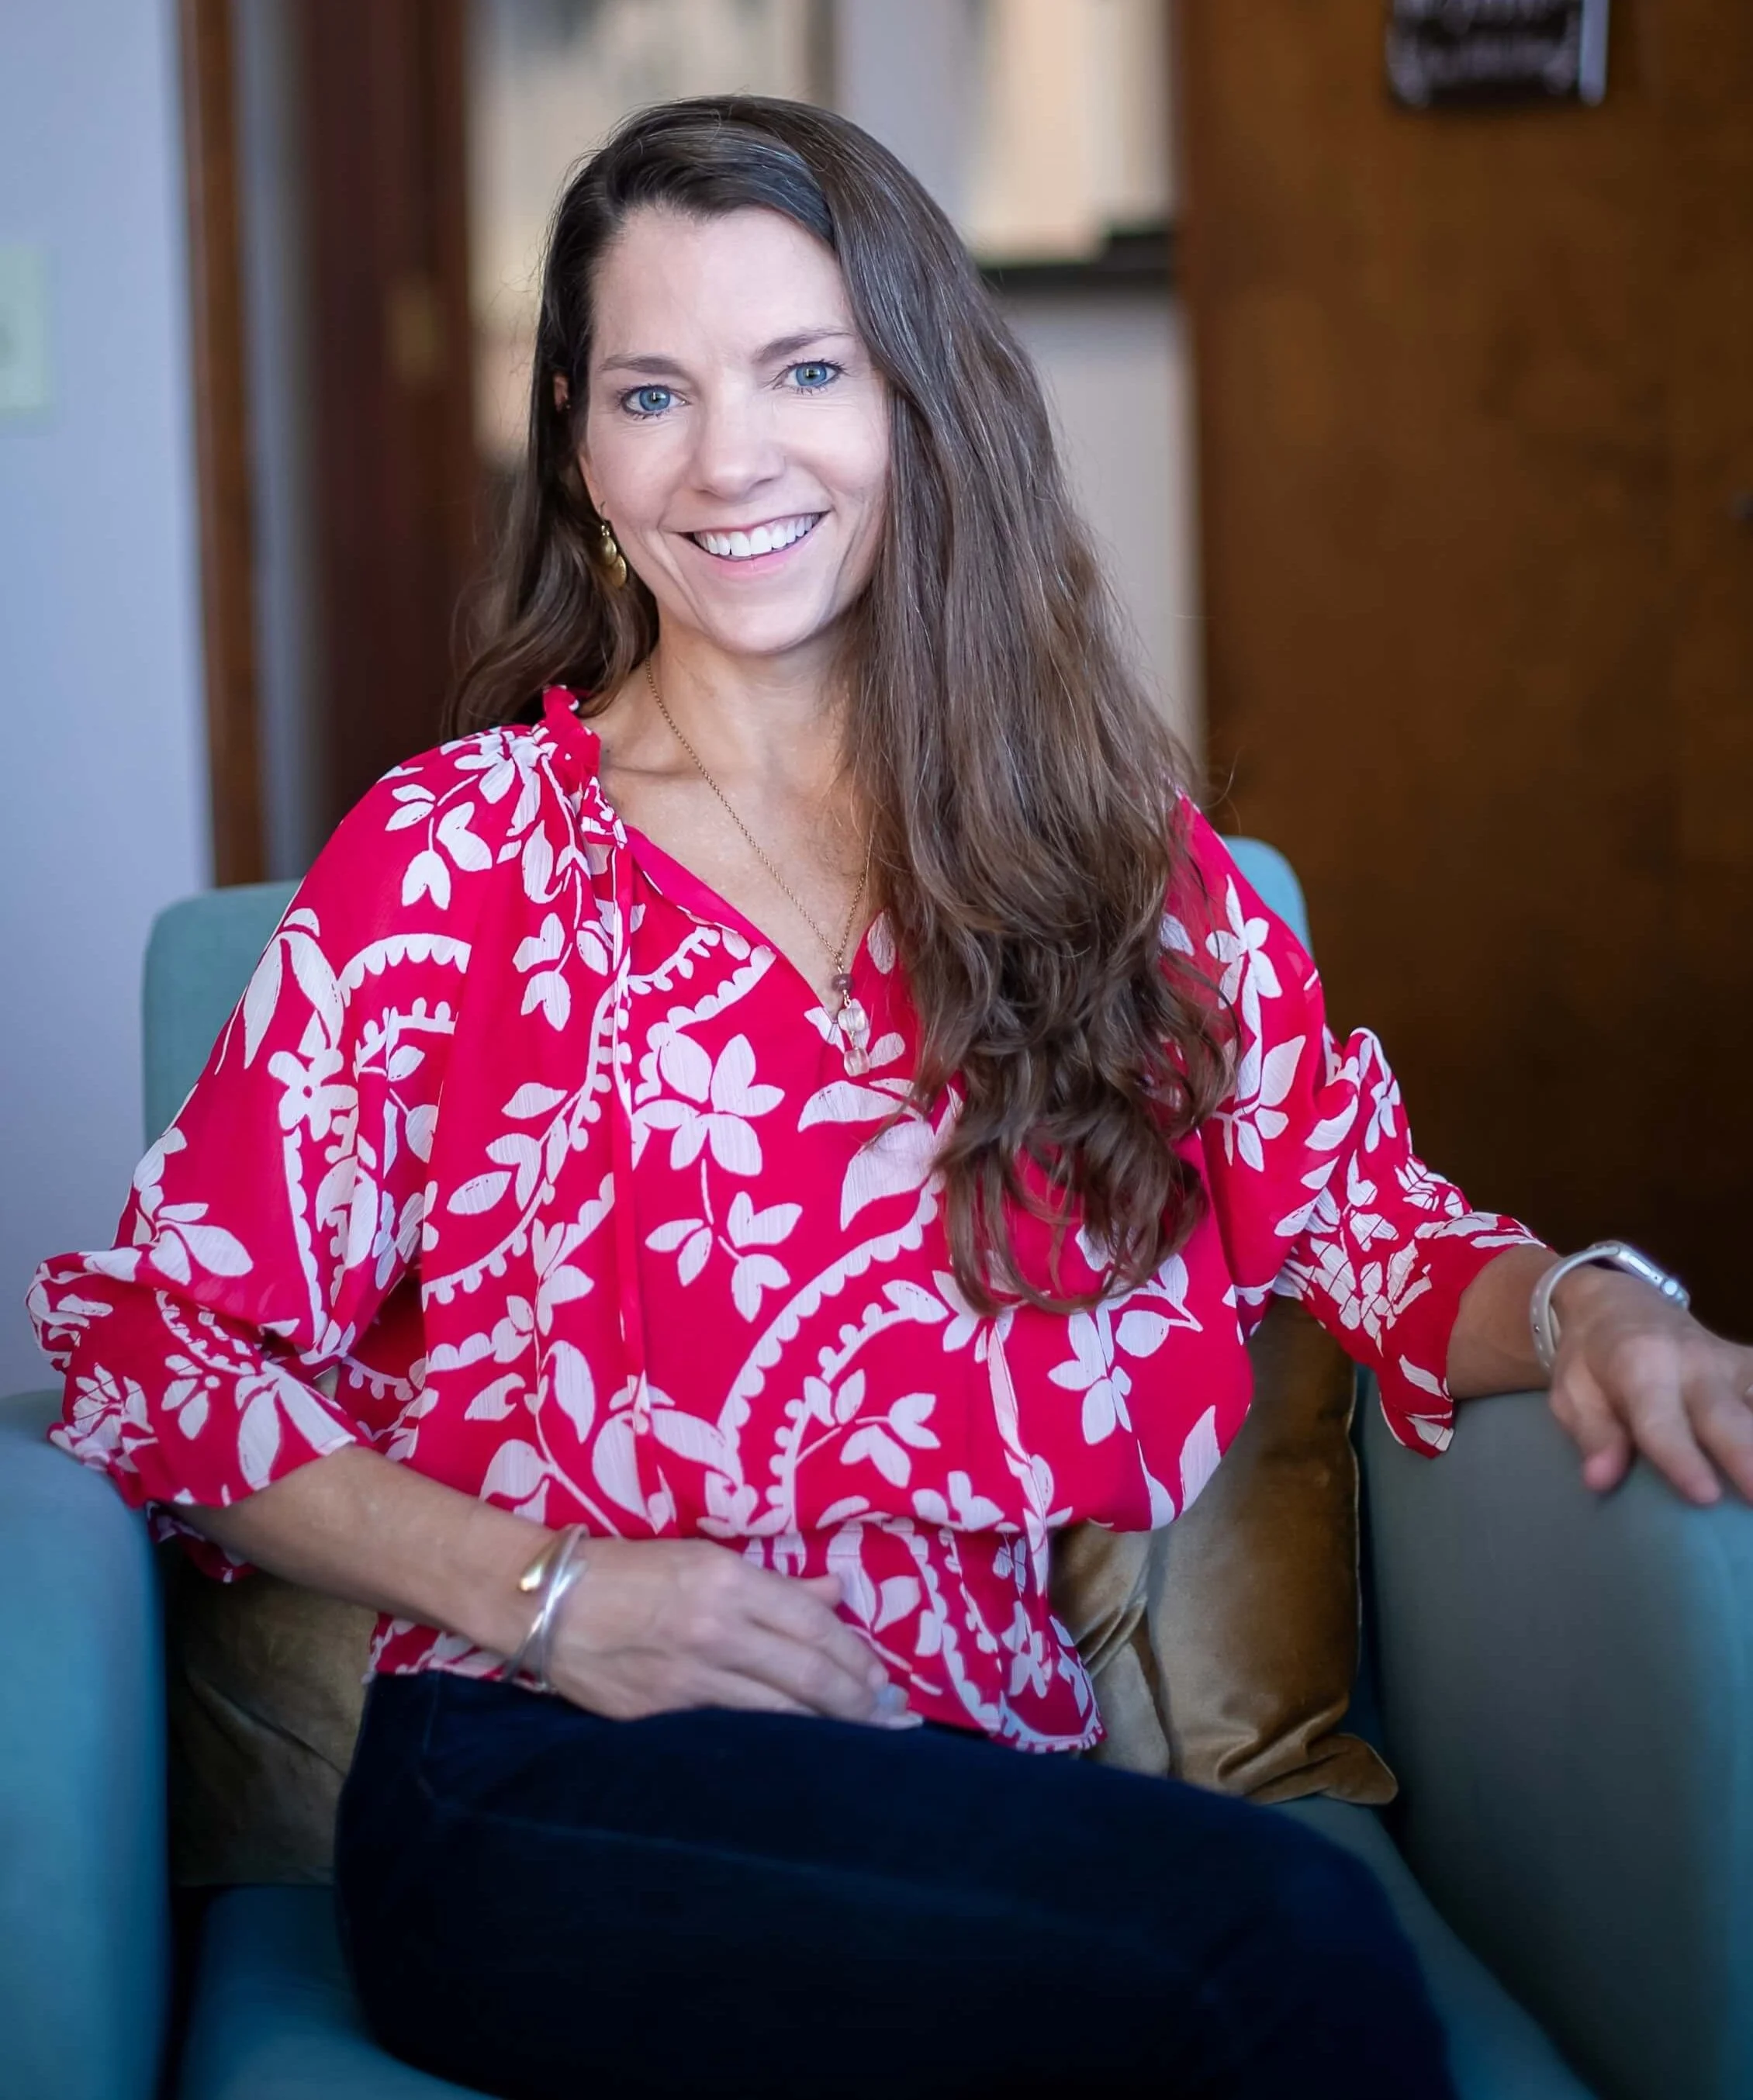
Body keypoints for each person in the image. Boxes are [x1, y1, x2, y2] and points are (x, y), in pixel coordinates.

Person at [29, 96, 1753, 2100]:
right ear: (579, 445)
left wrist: (1595, 1306)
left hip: (982, 1792)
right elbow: (155, 1355)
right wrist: (555, 1594)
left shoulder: (1097, 858)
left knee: (1237, 1951)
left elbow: (1370, 1222)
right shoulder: (454, 862)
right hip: (545, 1785)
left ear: (920, 403)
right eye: (653, 392)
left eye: (805, 370)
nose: (729, 458)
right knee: (1282, 1943)